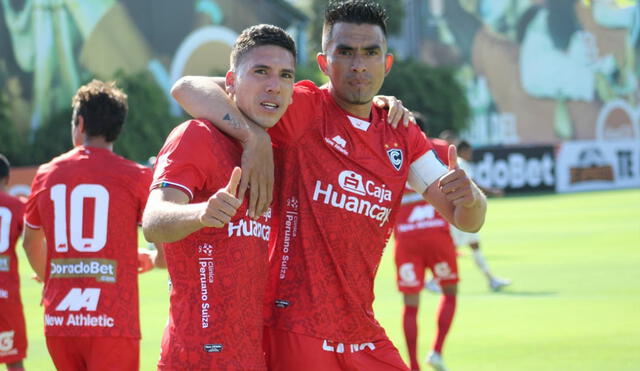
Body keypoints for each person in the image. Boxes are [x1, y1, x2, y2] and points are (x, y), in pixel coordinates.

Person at [172, 1, 487, 369]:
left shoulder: (401, 131)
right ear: (325, 62)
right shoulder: (302, 107)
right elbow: (187, 88)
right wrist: (253, 138)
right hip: (293, 326)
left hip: (361, 330)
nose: (358, 65)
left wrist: (472, 197)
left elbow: (467, 219)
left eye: (370, 53)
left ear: (386, 63)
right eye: (346, 52)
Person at [142, 24, 296, 370]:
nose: (274, 84)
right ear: (230, 81)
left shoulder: (277, 150)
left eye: (285, 75)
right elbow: (153, 222)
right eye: (261, 71)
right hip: (195, 359)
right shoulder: (196, 135)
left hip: (252, 358)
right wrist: (200, 215)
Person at [22, 79, 162, 371]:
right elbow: (164, 251)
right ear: (117, 128)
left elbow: (31, 244)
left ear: (80, 123)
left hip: (60, 322)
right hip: (113, 322)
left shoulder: (46, 174)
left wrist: (52, 277)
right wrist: (152, 258)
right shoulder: (135, 176)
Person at [394, 119, 459, 371]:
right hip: (437, 235)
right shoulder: (440, 148)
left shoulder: (390, 151)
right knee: (450, 293)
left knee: (410, 305)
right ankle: (437, 351)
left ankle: (413, 365)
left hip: (406, 239)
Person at [448, 140, 511, 292]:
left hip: (463, 212)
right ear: (462, 151)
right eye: (468, 152)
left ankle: (491, 279)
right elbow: (471, 184)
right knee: (450, 249)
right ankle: (433, 280)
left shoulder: (461, 163)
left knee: (473, 246)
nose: (470, 155)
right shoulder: (461, 163)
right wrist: (492, 191)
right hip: (460, 213)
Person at [0, 155, 27, 371]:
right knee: (13, 360)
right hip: (5, 296)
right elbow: (33, 241)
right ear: (8, 179)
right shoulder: (16, 206)